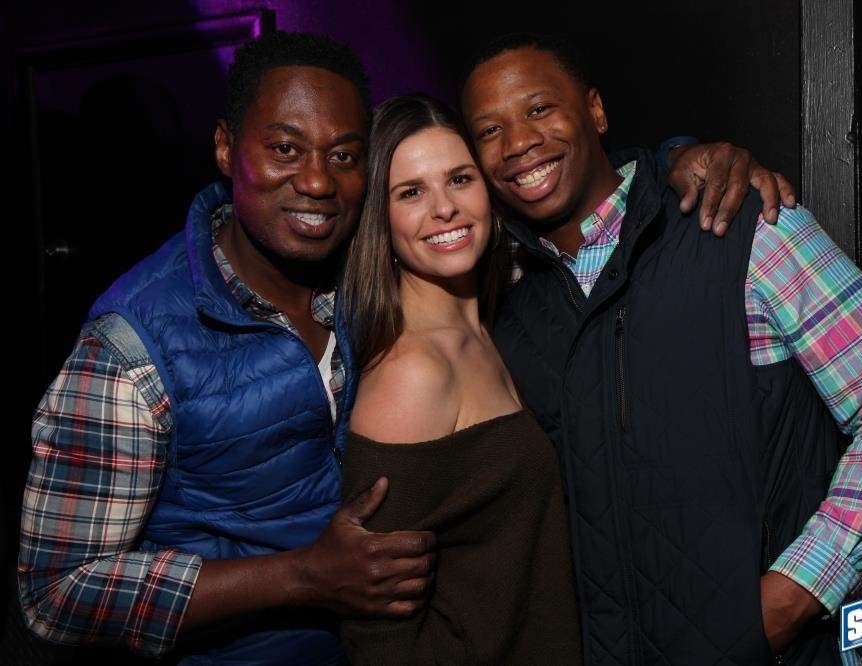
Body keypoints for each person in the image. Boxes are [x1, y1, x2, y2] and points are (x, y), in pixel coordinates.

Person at [18, 31, 789, 662]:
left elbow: (551, 195)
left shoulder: (381, 288)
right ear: (226, 148)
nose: (316, 182)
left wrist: (680, 161)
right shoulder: (134, 345)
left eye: (344, 155)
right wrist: (301, 577)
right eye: (284, 148)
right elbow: (55, 593)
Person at [461, 33, 862, 665]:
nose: (518, 142)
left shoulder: (743, 225)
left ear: (596, 111)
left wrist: (790, 599)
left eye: (538, 108)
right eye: (489, 130)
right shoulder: (508, 311)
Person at [337, 94, 581, 664]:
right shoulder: (411, 374)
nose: (444, 208)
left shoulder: (498, 322)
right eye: (411, 192)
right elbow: (378, 635)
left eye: (459, 179)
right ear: (381, 220)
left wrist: (679, 156)